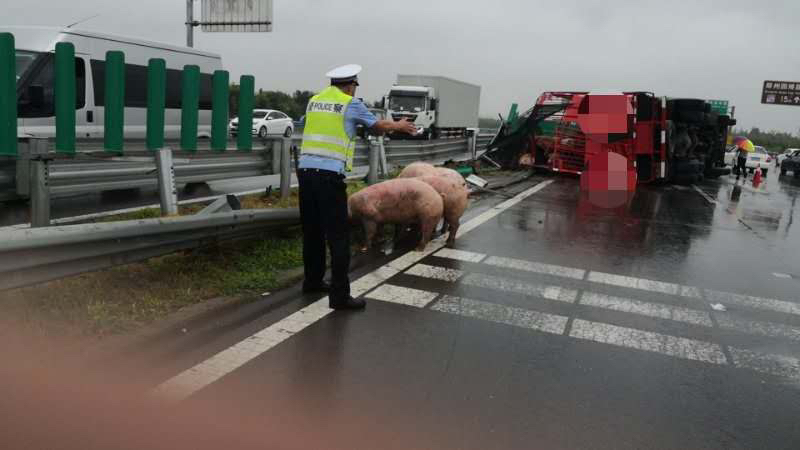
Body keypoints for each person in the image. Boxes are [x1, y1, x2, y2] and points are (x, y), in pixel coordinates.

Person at [297, 64, 417, 310]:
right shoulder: (350, 104)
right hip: (329, 177)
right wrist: (399, 126)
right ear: (351, 86)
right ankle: (339, 296)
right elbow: (376, 127)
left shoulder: (314, 101)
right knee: (338, 236)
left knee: (313, 232)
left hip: (305, 174)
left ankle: (312, 281)